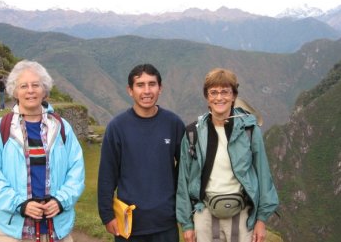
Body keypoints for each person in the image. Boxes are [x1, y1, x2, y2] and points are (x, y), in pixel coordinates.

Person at [0, 60, 85, 242]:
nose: (30, 90)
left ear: (44, 90)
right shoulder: (0, 129)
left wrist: (61, 201)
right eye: (23, 86)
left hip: (57, 229)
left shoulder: (61, 127)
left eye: (36, 85)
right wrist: (20, 204)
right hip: (14, 232)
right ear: (14, 91)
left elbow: (76, 171)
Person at [176, 68, 279, 242]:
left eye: (225, 92)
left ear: (233, 96)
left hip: (241, 212)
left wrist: (261, 220)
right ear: (207, 97)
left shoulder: (248, 130)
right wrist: (187, 224)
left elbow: (263, 173)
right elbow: (183, 181)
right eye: (213, 92)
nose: (219, 97)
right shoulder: (193, 133)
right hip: (205, 212)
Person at [98, 63, 185, 242]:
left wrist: (178, 206)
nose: (147, 91)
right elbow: (107, 174)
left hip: (166, 223)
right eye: (140, 85)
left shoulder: (173, 124)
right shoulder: (117, 127)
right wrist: (107, 215)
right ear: (130, 90)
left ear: (160, 88)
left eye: (152, 84)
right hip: (129, 222)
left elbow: (185, 170)